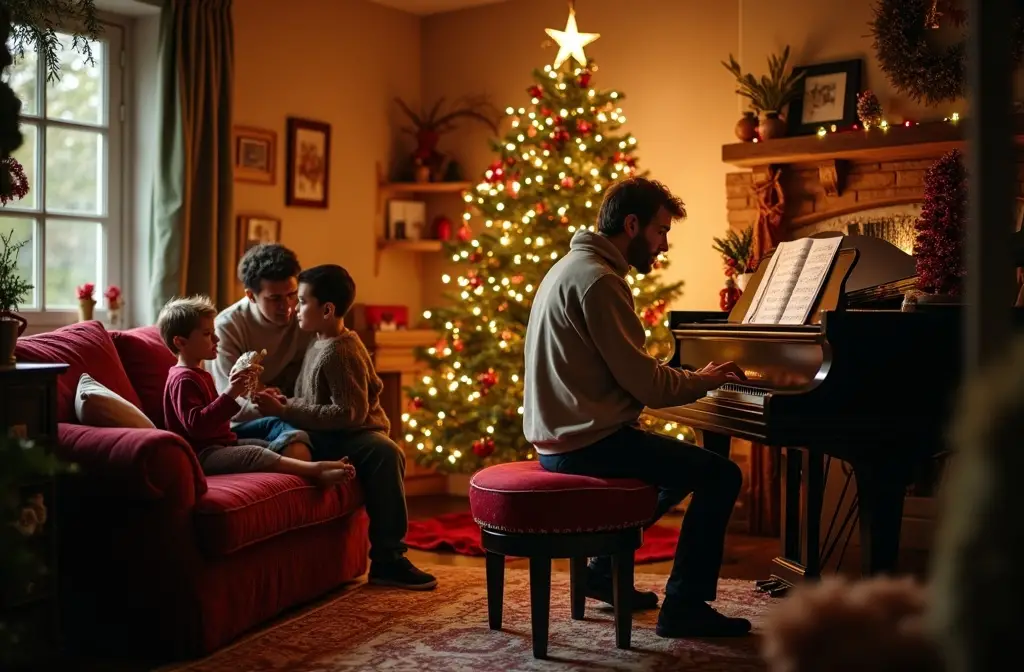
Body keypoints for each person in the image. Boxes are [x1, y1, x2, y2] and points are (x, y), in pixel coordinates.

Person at [523, 176, 751, 638]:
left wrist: (681, 378)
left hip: (562, 437)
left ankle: (602, 571)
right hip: (584, 443)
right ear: (632, 224)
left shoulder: (571, 266)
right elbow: (648, 386)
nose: (664, 245)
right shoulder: (600, 282)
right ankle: (684, 606)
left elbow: (623, 371)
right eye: (661, 231)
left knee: (680, 470)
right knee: (721, 474)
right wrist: (702, 380)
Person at [250, 263, 438, 591]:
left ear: (327, 309)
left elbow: (349, 413)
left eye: (303, 301)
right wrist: (284, 399)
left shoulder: (340, 351)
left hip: (354, 435)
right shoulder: (316, 341)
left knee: (385, 453)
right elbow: (312, 398)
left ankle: (388, 558)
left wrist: (288, 408)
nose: (294, 308)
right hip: (325, 434)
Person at [157, 295, 355, 485]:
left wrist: (241, 390)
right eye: (208, 334)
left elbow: (217, 415)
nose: (217, 339)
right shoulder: (183, 379)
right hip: (201, 454)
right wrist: (231, 392)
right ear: (180, 342)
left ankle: (306, 467)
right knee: (256, 453)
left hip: (222, 443)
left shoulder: (199, 373)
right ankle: (317, 469)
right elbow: (197, 426)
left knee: (267, 445)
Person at [211, 244, 315, 448]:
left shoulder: (305, 317)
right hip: (244, 421)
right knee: (296, 439)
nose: (287, 307)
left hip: (291, 409)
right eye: (274, 298)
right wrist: (269, 404)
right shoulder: (227, 328)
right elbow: (230, 401)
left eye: (291, 294)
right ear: (251, 296)